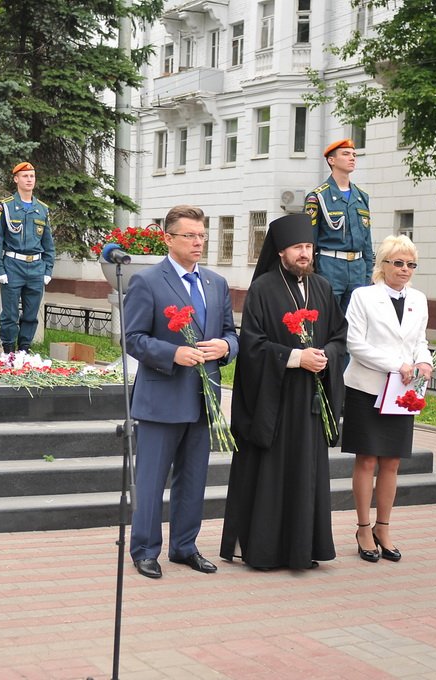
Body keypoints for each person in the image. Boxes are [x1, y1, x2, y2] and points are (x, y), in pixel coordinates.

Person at [220, 213, 347, 571]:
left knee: (306, 474)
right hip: (274, 401)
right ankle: (264, 550)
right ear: (280, 251)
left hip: (310, 400)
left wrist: (325, 356)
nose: (304, 253)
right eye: (297, 248)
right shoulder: (262, 289)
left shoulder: (322, 287)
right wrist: (295, 358)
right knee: (272, 476)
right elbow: (253, 345)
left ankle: (301, 549)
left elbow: (340, 335)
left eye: (308, 246)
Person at [123, 204, 239, 579]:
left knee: (193, 479)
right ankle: (145, 550)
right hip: (161, 397)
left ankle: (185, 546)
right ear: (168, 239)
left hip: (203, 398)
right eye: (190, 235)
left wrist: (225, 347)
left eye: (202, 235)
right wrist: (173, 353)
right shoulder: (147, 281)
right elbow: (133, 338)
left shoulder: (216, 283)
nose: (198, 242)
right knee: (152, 480)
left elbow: (231, 333)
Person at [340, 235, 433, 563]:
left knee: (392, 462)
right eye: (398, 263)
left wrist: (424, 362)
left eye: (411, 264)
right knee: (367, 460)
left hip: (401, 392)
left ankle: (384, 527)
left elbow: (420, 341)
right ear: (383, 264)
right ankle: (363, 528)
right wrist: (397, 365)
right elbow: (355, 344)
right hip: (367, 387)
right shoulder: (363, 296)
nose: (405, 269)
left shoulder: (419, 299)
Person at [0, 161, 55, 353]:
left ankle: (24, 351)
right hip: (12, 266)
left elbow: (48, 243)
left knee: (31, 315)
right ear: (16, 179)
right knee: (10, 314)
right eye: (25, 176)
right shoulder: (6, 207)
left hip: (36, 268)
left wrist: (48, 269)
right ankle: (8, 352)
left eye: (32, 176)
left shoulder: (42, 209)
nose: (29, 179)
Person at [305, 138, 373, 311]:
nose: (352, 158)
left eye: (354, 154)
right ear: (332, 160)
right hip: (330, 268)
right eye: (346, 154)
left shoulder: (362, 197)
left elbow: (367, 242)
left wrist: (368, 274)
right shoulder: (318, 197)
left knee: (355, 320)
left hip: (358, 270)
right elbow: (310, 240)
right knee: (328, 319)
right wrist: (311, 274)